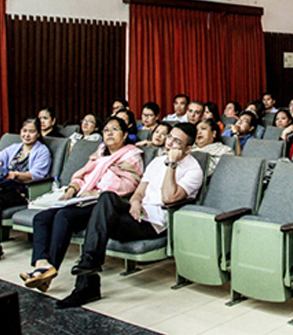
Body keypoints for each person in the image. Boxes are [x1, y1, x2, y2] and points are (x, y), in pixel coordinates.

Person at [56, 123, 203, 308]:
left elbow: (168, 198)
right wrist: (135, 203)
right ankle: (89, 263)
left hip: (153, 223)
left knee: (98, 221)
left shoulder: (193, 170)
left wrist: (172, 164)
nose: (169, 144)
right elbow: (139, 192)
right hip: (138, 214)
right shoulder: (157, 161)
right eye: (169, 137)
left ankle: (87, 281)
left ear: (188, 148)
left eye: (176, 142)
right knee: (107, 197)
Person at [21, 117, 143, 292]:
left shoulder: (131, 156)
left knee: (64, 216)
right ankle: (41, 264)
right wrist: (72, 189)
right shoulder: (99, 154)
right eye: (106, 130)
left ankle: (49, 270)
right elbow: (81, 175)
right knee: (42, 218)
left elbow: (130, 184)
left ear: (124, 135)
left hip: (102, 205)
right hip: (80, 198)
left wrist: (97, 192)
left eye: (114, 129)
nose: (109, 133)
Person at [0, 118, 52, 256]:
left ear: (38, 134)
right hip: (6, 187)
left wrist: (16, 175)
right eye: (24, 131)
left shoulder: (42, 151)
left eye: (31, 131)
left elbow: (37, 175)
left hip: (23, 191)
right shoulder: (14, 148)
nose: (27, 135)